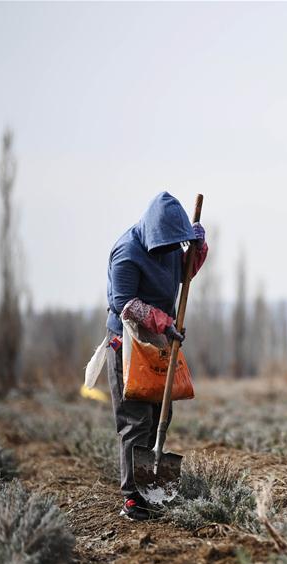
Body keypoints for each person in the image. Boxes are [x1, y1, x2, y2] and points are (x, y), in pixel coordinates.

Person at [105, 191, 208, 520]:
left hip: (160, 341)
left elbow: (185, 272)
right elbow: (125, 304)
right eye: (169, 244)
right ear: (154, 234)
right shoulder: (127, 252)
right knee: (137, 419)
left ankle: (154, 490)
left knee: (160, 414)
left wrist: (197, 249)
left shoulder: (171, 248)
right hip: (129, 342)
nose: (170, 251)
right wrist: (163, 321)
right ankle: (133, 497)